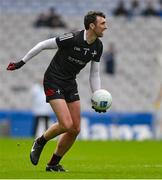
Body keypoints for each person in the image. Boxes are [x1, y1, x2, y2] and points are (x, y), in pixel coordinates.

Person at [6, 11, 107, 172]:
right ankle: (40, 141)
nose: (106, 27)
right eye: (102, 24)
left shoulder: (98, 46)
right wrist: (21, 62)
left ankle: (53, 164)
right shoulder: (72, 38)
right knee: (66, 124)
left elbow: (94, 74)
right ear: (92, 26)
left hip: (70, 83)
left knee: (75, 129)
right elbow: (43, 45)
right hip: (53, 79)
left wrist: (97, 95)